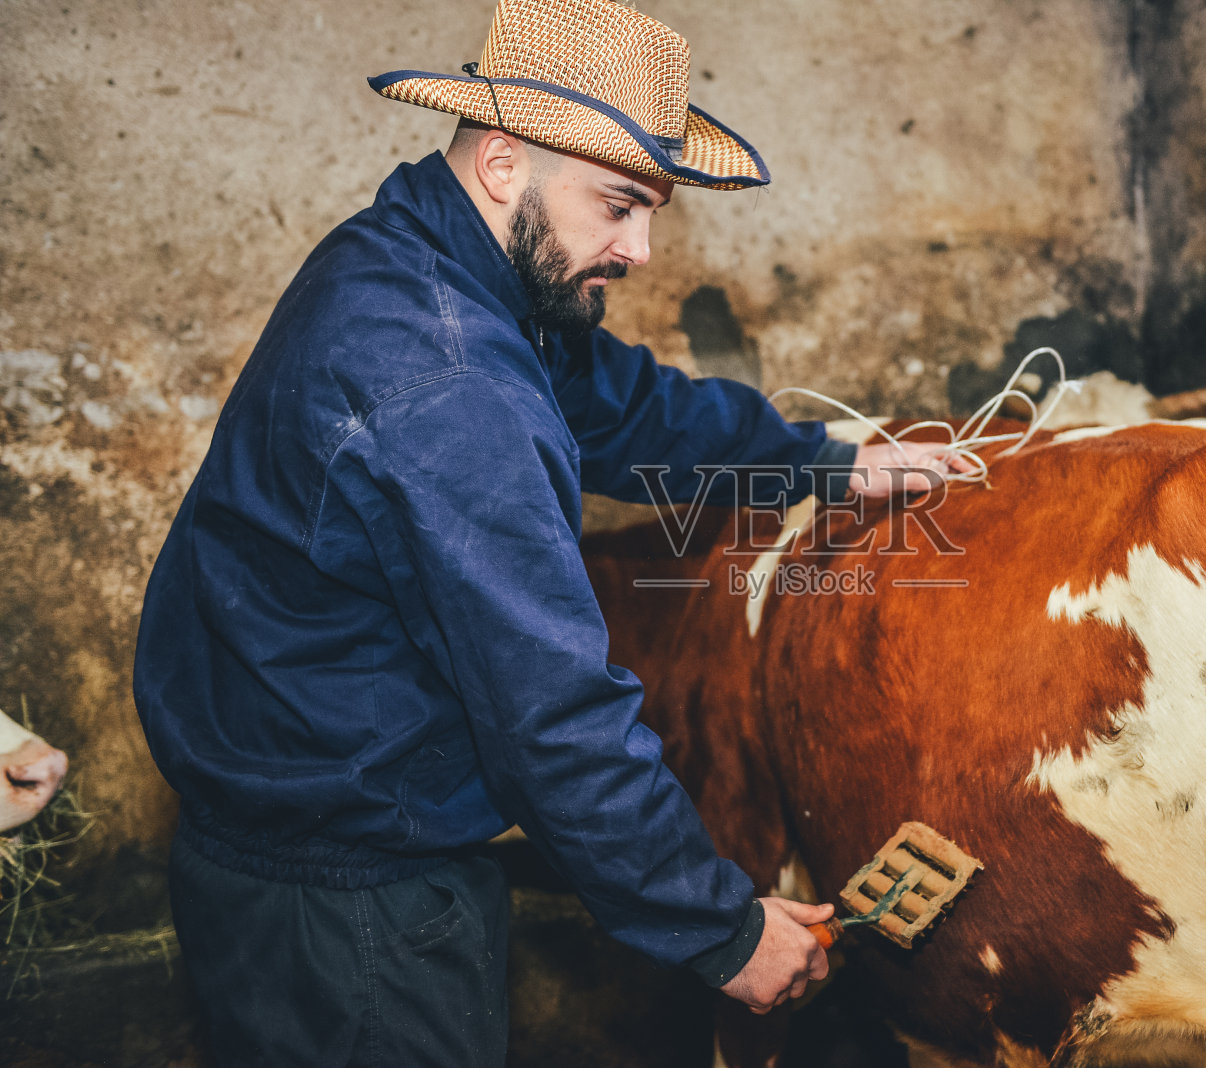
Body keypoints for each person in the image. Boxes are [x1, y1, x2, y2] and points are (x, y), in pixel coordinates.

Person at [132, 0, 959, 1063]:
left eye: (652, 211)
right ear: (502, 163)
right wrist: (721, 930)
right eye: (618, 205)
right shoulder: (450, 387)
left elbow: (623, 406)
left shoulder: (415, 260)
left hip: (285, 835)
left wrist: (827, 463)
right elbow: (552, 715)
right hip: (353, 913)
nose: (641, 249)